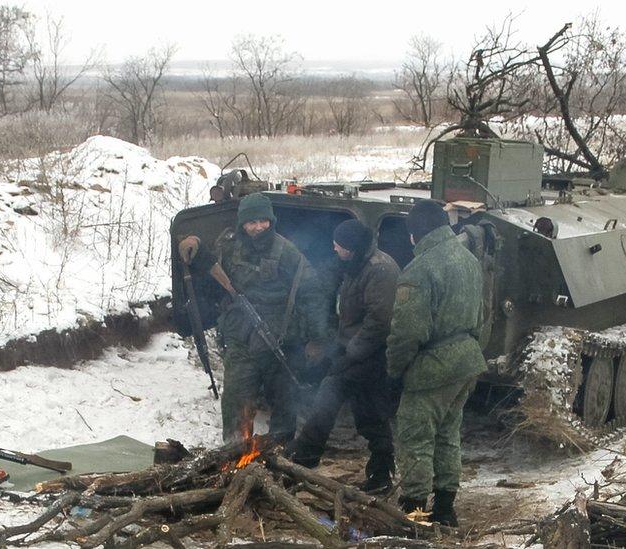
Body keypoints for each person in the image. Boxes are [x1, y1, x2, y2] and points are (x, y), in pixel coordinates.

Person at [178, 192, 326, 442]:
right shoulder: (230, 245)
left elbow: (312, 294)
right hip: (241, 339)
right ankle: (235, 455)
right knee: (236, 399)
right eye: (251, 222)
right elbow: (206, 257)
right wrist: (191, 242)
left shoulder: (287, 252)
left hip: (279, 341)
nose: (258, 227)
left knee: (283, 401)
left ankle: (280, 454)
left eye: (263, 221)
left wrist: (317, 338)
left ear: (271, 221)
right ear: (242, 223)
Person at [386, 199, 485, 527]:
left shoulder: (418, 271)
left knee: (415, 435)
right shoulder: (470, 260)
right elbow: (481, 317)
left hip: (433, 367)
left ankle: (414, 510)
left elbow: (407, 333)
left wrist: (394, 371)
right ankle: (445, 508)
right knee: (447, 434)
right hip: (466, 360)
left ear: (414, 235)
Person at [287, 219, 401, 493]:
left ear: (353, 248)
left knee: (328, 394)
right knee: (369, 412)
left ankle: (303, 459)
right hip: (358, 349)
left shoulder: (380, 270)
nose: (335, 250)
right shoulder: (356, 264)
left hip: (372, 352)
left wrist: (350, 353)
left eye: (339, 247)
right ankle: (381, 473)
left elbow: (379, 321)